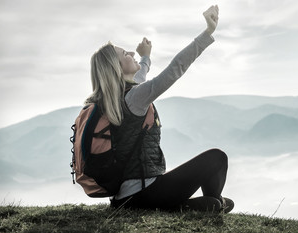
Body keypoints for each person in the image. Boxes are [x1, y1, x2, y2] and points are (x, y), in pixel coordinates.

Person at [86, 5, 234, 213]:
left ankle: (193, 206)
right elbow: (175, 69)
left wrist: (145, 57)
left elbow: (140, 76)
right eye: (124, 54)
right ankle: (211, 202)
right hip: (147, 192)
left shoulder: (121, 97)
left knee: (213, 201)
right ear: (116, 69)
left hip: (126, 198)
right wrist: (207, 33)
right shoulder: (134, 98)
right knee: (217, 158)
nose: (130, 52)